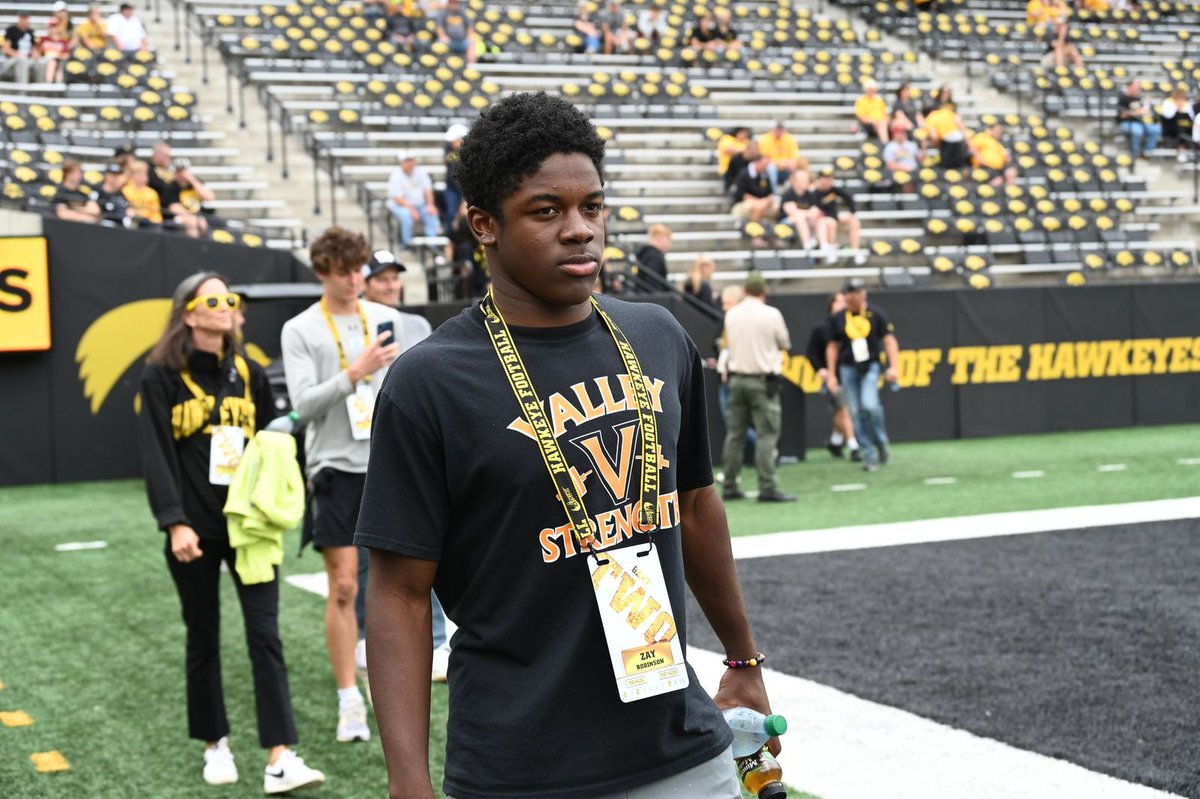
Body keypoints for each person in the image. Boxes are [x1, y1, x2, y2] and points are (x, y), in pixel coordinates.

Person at [355, 90, 776, 799]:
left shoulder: (658, 335)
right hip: (519, 767)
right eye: (546, 210)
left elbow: (699, 504)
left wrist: (742, 654)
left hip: (681, 745)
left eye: (593, 207)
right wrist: (408, 781)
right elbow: (398, 593)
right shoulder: (428, 381)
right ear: (483, 224)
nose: (579, 229)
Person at [138, 272, 325, 794]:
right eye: (213, 300)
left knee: (266, 636)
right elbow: (155, 454)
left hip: (249, 525)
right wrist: (174, 521)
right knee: (204, 637)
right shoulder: (161, 376)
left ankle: (280, 757)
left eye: (231, 300)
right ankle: (214, 742)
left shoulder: (249, 371)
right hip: (193, 528)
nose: (226, 308)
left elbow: (268, 443)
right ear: (189, 313)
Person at [280, 227, 403, 744]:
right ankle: (348, 698)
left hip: (389, 467)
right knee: (345, 586)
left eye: (359, 270)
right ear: (322, 273)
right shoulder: (301, 328)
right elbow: (301, 406)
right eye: (344, 271)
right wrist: (356, 372)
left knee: (393, 588)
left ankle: (385, 687)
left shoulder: (386, 319)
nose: (355, 280)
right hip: (333, 466)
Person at [356, 249, 451, 681]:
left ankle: (435, 640)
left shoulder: (417, 326)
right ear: (365, 284)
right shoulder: (350, 325)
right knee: (375, 557)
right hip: (363, 449)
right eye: (381, 278)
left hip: (417, 447)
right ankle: (370, 637)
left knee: (424, 549)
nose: (390, 284)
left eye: (394, 277)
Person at [721, 272, 794, 503]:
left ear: (744, 291)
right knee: (767, 434)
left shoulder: (732, 314)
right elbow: (784, 343)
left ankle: (730, 485)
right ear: (763, 292)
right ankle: (767, 486)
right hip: (762, 381)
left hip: (738, 379)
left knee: (735, 435)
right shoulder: (771, 314)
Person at [825, 278, 899, 472]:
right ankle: (869, 454)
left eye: (857, 292)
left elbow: (889, 340)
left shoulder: (876, 314)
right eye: (850, 293)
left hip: (871, 366)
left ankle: (881, 441)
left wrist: (894, 366)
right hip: (848, 368)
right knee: (856, 412)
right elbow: (832, 347)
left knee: (870, 406)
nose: (854, 297)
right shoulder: (839, 317)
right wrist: (832, 374)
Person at [805, 292, 859, 461]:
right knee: (844, 408)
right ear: (832, 305)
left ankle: (836, 441)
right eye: (840, 302)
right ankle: (853, 445)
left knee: (841, 409)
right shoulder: (822, 327)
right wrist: (821, 369)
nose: (844, 305)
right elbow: (811, 352)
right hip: (833, 375)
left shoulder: (852, 323)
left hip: (850, 372)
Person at [806, 168, 866, 265]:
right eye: (825, 178)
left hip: (834, 218)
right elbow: (812, 209)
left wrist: (851, 212)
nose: (828, 181)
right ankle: (830, 249)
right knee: (829, 222)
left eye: (830, 179)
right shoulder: (814, 193)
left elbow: (849, 198)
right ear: (820, 179)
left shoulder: (834, 190)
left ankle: (856, 251)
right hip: (821, 222)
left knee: (854, 221)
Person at [386, 151, 442, 249]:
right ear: (401, 163)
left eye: (411, 160)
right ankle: (407, 244)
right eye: (407, 161)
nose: (409, 163)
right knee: (406, 216)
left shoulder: (421, 172)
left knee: (431, 213)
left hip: (420, 204)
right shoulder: (396, 175)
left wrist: (430, 204)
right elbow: (398, 198)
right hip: (400, 205)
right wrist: (412, 210)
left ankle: (433, 245)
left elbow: (428, 190)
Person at [731, 151, 780, 243]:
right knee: (758, 206)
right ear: (757, 162)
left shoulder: (765, 175)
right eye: (764, 164)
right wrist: (760, 201)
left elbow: (770, 192)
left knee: (776, 208)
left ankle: (773, 235)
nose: (766, 167)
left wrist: (769, 199)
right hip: (742, 205)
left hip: (763, 203)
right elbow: (741, 195)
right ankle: (756, 236)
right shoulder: (744, 173)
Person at [1117, 80, 1162, 161]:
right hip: (1128, 122)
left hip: (1141, 122)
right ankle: (1134, 155)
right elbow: (1122, 115)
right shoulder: (1122, 98)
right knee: (1137, 131)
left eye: (1138, 87)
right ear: (1129, 87)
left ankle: (1146, 153)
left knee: (1156, 129)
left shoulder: (1140, 99)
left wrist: (1145, 108)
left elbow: (1145, 111)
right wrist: (1136, 112)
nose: (1137, 89)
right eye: (1135, 87)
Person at [780, 167, 820, 252]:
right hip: (785, 223)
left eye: (806, 179)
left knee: (819, 219)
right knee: (799, 217)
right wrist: (807, 213)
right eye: (802, 179)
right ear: (795, 181)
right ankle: (807, 244)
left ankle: (821, 244)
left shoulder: (810, 194)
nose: (805, 181)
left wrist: (805, 213)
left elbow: (816, 211)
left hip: (805, 220)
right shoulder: (788, 194)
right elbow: (791, 211)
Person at [925, 99, 969, 170]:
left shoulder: (930, 117)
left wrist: (938, 145)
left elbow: (934, 136)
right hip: (959, 138)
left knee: (947, 168)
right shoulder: (947, 112)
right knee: (960, 167)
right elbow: (960, 124)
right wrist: (966, 139)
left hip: (947, 141)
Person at [123, 160, 164, 227]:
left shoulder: (152, 193)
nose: (141, 177)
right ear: (131, 175)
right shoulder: (125, 191)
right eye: (138, 174)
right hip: (131, 223)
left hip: (148, 224)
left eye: (144, 173)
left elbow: (156, 215)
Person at [758, 120, 800, 186]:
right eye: (777, 129)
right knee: (771, 168)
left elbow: (794, 159)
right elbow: (765, 160)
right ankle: (774, 192)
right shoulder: (766, 139)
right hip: (771, 169)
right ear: (773, 129)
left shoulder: (789, 139)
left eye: (781, 129)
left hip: (785, 168)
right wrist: (784, 163)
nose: (779, 131)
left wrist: (777, 162)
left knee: (800, 166)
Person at [441, 122, 467, 230]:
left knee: (465, 213)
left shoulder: (469, 150)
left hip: (465, 187)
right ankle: (451, 235)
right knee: (451, 212)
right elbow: (447, 161)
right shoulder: (448, 147)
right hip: (451, 186)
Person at [2, 14, 39, 84]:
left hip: (27, 59)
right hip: (12, 60)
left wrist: (35, 55)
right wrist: (18, 55)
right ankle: (22, 90)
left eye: (26, 19)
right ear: (19, 19)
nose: (24, 21)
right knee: (22, 61)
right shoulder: (11, 30)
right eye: (23, 18)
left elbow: (34, 49)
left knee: (41, 62)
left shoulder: (30, 32)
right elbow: (6, 49)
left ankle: (42, 89)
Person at [92, 162, 132, 226]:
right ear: (106, 176)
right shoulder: (97, 191)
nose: (115, 178)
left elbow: (128, 210)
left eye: (117, 175)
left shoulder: (121, 193)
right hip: (102, 225)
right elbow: (92, 208)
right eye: (112, 175)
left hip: (121, 226)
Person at [1160, 86, 1193, 162]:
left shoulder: (1186, 103)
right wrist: (1176, 106)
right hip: (1169, 126)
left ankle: (1192, 151)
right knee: (1181, 129)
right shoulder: (1167, 102)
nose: (1181, 96)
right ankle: (1182, 150)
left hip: (1185, 126)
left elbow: (1191, 116)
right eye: (1179, 94)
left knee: (1190, 128)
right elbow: (1167, 116)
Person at [882, 125, 920, 189]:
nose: (900, 135)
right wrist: (906, 168)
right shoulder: (890, 146)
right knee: (904, 178)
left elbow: (920, 160)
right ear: (893, 134)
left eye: (902, 132)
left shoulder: (912, 145)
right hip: (898, 171)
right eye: (898, 133)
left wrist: (924, 146)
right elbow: (890, 164)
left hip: (914, 171)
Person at [39, 16, 69, 83]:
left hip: (57, 61)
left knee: (57, 64)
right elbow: (37, 53)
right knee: (52, 62)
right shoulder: (43, 39)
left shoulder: (62, 41)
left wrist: (56, 56)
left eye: (55, 25)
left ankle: (57, 86)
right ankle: (48, 84)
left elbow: (66, 55)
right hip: (44, 61)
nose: (53, 28)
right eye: (51, 26)